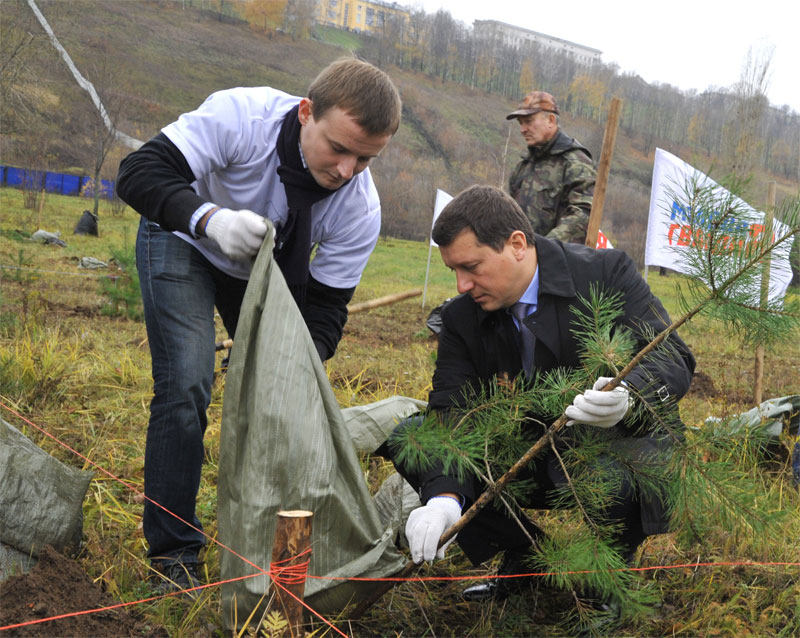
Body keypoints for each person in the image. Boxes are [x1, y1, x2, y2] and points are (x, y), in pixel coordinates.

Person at [116, 57, 401, 594]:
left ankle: (272, 555)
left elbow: (324, 309)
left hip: (258, 272)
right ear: (306, 112)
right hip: (184, 236)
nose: (346, 170)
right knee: (187, 383)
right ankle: (174, 552)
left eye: (365, 159)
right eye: (338, 148)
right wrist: (209, 218)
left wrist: (295, 367)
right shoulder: (240, 117)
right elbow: (138, 172)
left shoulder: (360, 209)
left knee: (288, 401)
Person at [384, 185, 695, 607]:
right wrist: (444, 496)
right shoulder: (461, 318)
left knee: (624, 472)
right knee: (413, 437)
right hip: (526, 455)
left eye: (471, 266)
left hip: (610, 449)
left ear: (516, 244)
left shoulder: (605, 274)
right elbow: (450, 411)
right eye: (454, 270)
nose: (461, 285)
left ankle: (610, 580)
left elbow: (672, 356)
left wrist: (629, 398)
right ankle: (528, 561)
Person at [506, 91, 596, 243]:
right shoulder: (524, 166)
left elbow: (583, 215)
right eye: (520, 123)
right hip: (521, 260)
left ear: (551, 120)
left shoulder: (574, 162)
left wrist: (543, 249)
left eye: (528, 121)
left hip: (561, 261)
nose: (523, 129)